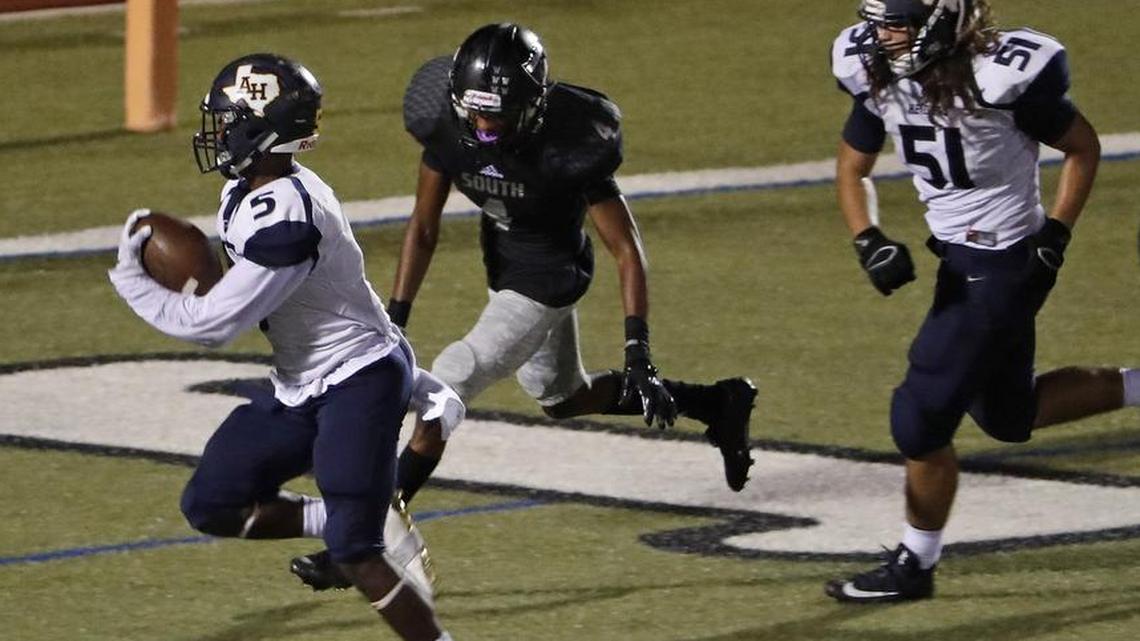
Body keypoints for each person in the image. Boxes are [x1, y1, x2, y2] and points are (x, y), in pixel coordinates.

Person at [288, 22, 759, 591]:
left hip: (550, 277)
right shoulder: (444, 123)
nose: (484, 126)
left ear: (534, 105)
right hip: (506, 266)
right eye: (476, 113)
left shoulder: (570, 140)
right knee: (563, 397)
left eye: (499, 115)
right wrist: (394, 319)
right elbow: (424, 227)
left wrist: (639, 347)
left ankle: (360, 543)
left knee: (452, 376)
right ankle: (718, 402)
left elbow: (625, 249)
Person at [109, 53, 456, 641]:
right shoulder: (251, 189)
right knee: (211, 502)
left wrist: (132, 279)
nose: (217, 131)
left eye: (229, 118)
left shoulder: (288, 213)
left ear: (262, 125)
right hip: (303, 380)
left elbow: (212, 323)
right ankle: (342, 516)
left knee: (357, 553)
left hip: (357, 380)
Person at [824, 0, 1140, 603]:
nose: (879, 34)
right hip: (959, 260)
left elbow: (1082, 146)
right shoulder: (878, 71)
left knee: (919, 418)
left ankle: (915, 566)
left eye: (896, 22)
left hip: (1001, 264)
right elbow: (852, 164)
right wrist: (867, 239)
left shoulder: (1001, 75)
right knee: (1007, 415)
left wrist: (1056, 235)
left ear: (940, 22)